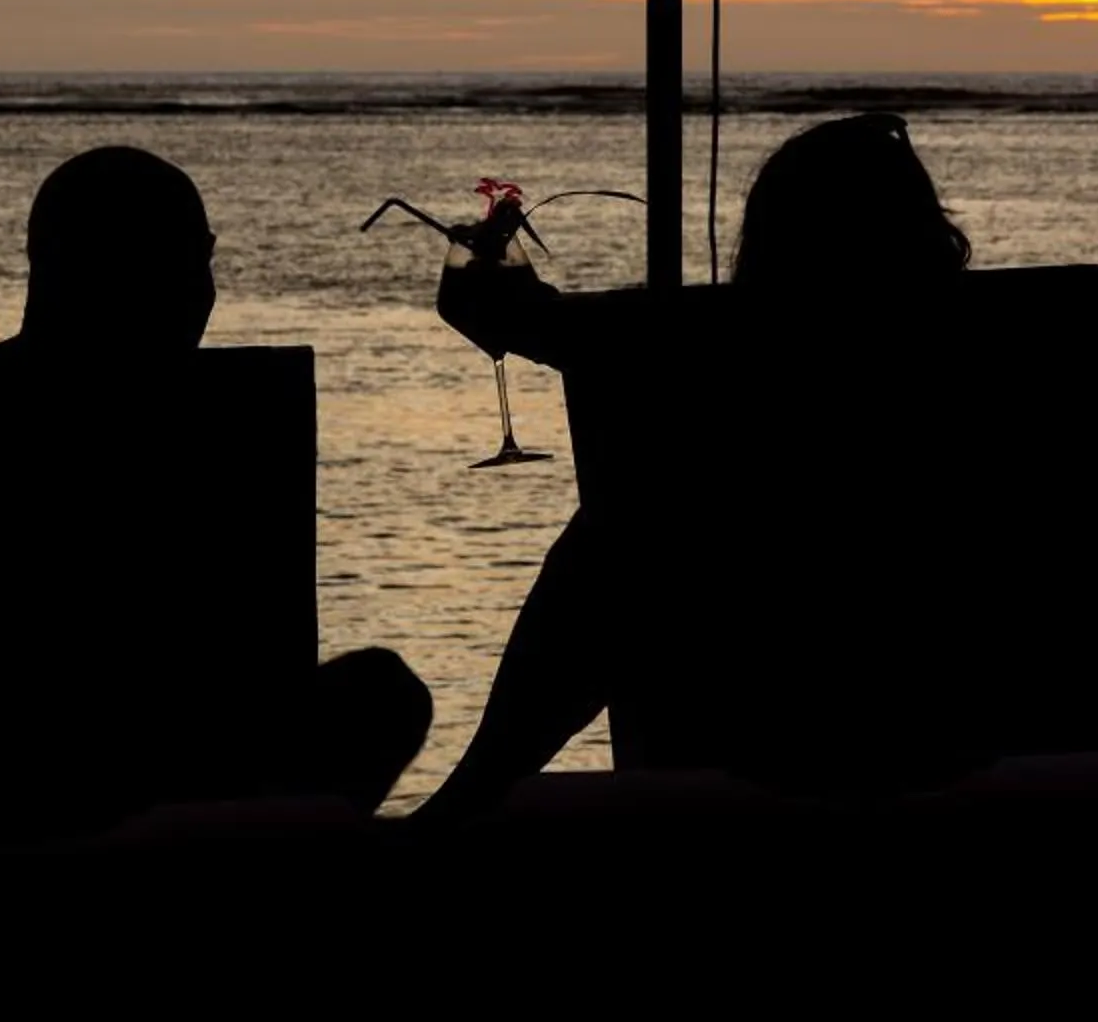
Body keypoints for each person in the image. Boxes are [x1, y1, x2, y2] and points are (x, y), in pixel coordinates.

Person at [413, 112, 968, 819]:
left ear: (774, 241)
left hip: (775, 720)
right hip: (962, 704)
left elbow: (513, 315)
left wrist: (484, 266)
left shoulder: (719, 347)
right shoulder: (989, 344)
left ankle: (464, 804)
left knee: (621, 539)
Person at [0, 145, 433, 815]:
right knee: (386, 692)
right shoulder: (223, 427)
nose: (204, 291)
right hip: (166, 777)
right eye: (191, 262)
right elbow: (251, 664)